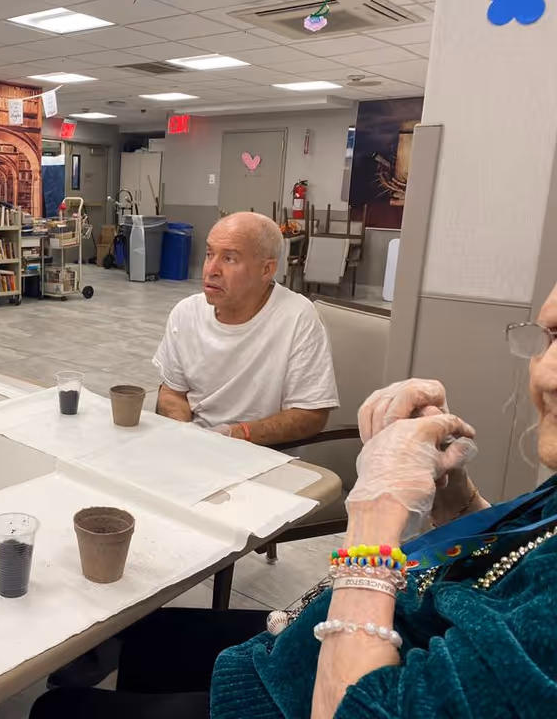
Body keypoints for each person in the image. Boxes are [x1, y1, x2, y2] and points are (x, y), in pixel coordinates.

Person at [31, 283, 557, 718]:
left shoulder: (294, 318)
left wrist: (377, 506)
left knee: (55, 711)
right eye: (551, 336)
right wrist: (452, 491)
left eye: (230, 257)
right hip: (297, 647)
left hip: (309, 689)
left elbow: (354, 708)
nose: (545, 374)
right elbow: (503, 563)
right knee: (149, 634)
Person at [153, 212, 338, 445]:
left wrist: (236, 435)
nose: (211, 269)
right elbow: (172, 392)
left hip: (262, 452)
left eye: (229, 259)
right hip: (194, 447)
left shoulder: (297, 317)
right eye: (209, 254)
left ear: (266, 270)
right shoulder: (186, 313)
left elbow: (312, 414)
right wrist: (184, 433)